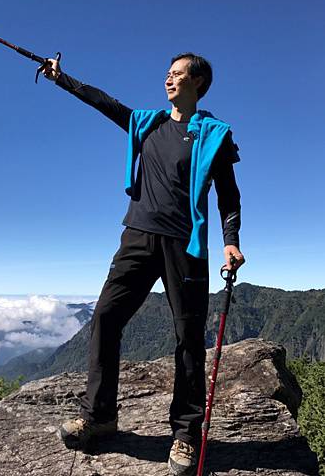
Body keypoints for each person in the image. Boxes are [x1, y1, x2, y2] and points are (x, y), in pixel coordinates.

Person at [42, 53, 245, 476]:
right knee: (106, 317)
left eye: (177, 74)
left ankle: (186, 433)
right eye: (167, 74)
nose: (168, 79)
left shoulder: (214, 135)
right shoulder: (148, 124)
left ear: (198, 82)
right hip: (137, 236)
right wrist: (62, 79)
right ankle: (99, 415)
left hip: (185, 245)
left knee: (188, 336)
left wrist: (231, 242)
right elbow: (105, 103)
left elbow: (228, 195)